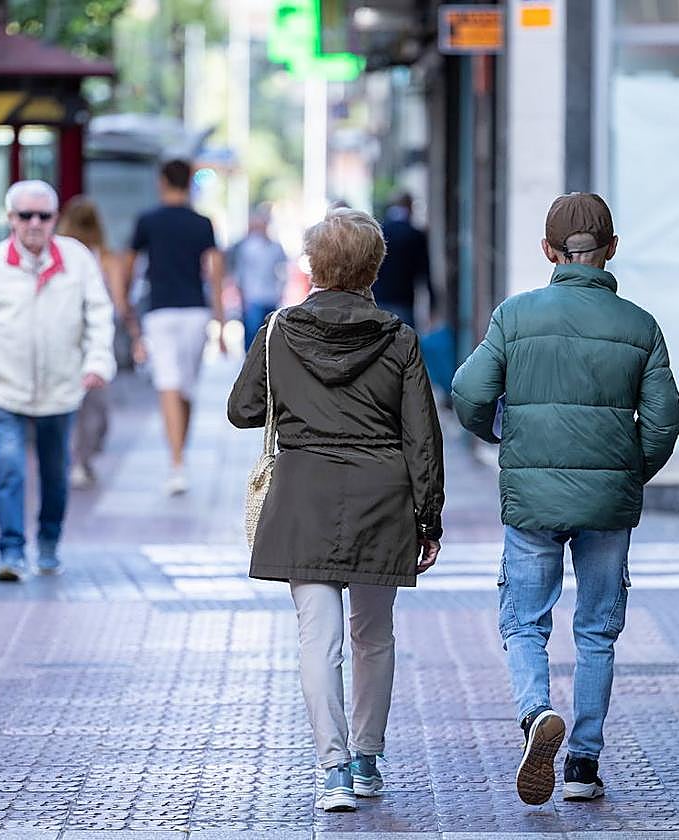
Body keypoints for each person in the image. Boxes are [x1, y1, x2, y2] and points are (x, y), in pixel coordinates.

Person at [450, 193, 679, 805]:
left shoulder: (515, 316)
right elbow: (665, 421)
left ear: (549, 252)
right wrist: (625, 472)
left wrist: (503, 435)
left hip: (532, 501)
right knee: (597, 632)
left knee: (524, 621)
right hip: (608, 501)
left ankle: (535, 715)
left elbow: (469, 393)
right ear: (611, 249)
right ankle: (582, 764)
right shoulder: (639, 325)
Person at [227, 208, 445, 813]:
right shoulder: (399, 338)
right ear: (374, 268)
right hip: (382, 495)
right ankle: (368, 758)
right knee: (374, 636)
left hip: (304, 493)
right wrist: (428, 517)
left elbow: (243, 410)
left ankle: (333, 771)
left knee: (316, 639)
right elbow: (422, 437)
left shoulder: (278, 331)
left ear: (313, 265)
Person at [0, 180, 116, 582]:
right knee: (10, 465)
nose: (34, 223)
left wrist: (97, 362)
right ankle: (11, 551)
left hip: (61, 391)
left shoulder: (77, 260)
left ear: (55, 219)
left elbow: (99, 314)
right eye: (25, 215)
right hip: (3, 390)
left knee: (55, 472)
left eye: (43, 215)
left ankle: (48, 544)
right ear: (10, 219)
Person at [118, 159, 226, 495]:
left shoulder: (148, 221)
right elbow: (216, 271)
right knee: (184, 387)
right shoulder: (202, 223)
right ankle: (180, 457)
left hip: (160, 310)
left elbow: (129, 263)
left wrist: (124, 302)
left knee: (169, 385)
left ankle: (176, 462)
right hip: (195, 310)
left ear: (163, 181)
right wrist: (220, 318)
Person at [57, 197, 121, 489]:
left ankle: (75, 458)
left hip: (64, 339)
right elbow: (118, 302)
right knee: (95, 406)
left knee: (70, 403)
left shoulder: (57, 258)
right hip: (95, 340)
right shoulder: (105, 258)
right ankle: (81, 458)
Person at [227, 205, 288, 352]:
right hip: (252, 297)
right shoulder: (247, 247)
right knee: (252, 335)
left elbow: (282, 271)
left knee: (268, 335)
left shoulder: (275, 247)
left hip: (270, 296)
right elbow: (240, 274)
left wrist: (280, 291)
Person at [375, 193, 433, 328]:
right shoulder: (415, 234)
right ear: (410, 207)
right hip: (404, 300)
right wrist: (433, 303)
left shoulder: (380, 231)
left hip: (379, 299)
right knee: (405, 345)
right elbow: (425, 270)